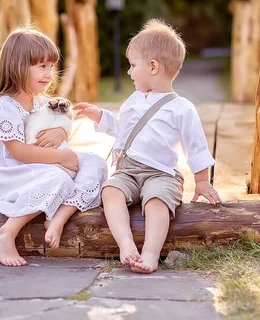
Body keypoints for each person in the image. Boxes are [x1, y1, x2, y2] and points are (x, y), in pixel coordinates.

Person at [74, 19, 222, 274]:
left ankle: (151, 254)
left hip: (161, 172)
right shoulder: (133, 101)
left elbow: (195, 147)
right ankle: (126, 244)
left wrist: (202, 181)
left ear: (153, 67)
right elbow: (123, 128)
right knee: (110, 192)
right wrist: (100, 116)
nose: (129, 72)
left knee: (156, 201)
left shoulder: (182, 108)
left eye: (133, 65)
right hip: (129, 170)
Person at [0, 27, 108, 267]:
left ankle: (59, 218)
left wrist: (60, 131)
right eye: (41, 66)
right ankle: (7, 233)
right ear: (18, 66)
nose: (49, 73)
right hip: (14, 169)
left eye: (51, 66)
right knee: (59, 180)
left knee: (96, 163)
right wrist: (60, 156)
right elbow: (17, 152)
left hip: (43, 163)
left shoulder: (40, 102)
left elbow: (63, 119)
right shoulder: (4, 106)